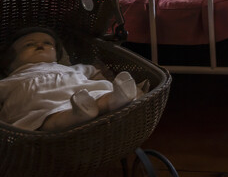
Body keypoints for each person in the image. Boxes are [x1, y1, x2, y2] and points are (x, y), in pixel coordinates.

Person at [0, 27, 137, 131]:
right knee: (48, 120)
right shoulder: (12, 79)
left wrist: (105, 82)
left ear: (57, 55)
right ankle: (77, 115)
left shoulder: (72, 68)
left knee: (99, 95)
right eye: (29, 44)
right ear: (11, 61)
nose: (40, 45)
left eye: (48, 43)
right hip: (41, 107)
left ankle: (115, 98)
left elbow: (95, 72)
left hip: (83, 96)